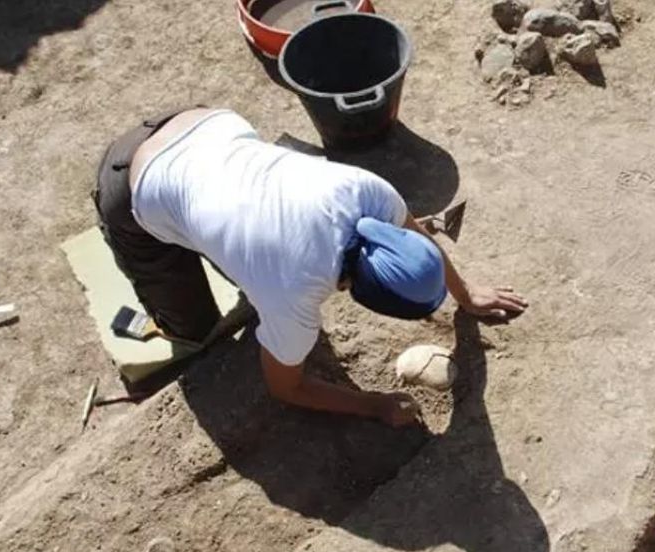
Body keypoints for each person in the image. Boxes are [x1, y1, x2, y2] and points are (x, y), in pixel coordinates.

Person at [92, 107, 527, 426]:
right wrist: (373, 405)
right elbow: (286, 387)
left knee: (240, 260)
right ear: (357, 292)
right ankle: (135, 242)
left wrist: (465, 293)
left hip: (205, 122)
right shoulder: (291, 292)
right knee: (194, 328)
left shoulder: (368, 192)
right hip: (131, 181)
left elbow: (418, 237)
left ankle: (199, 229)